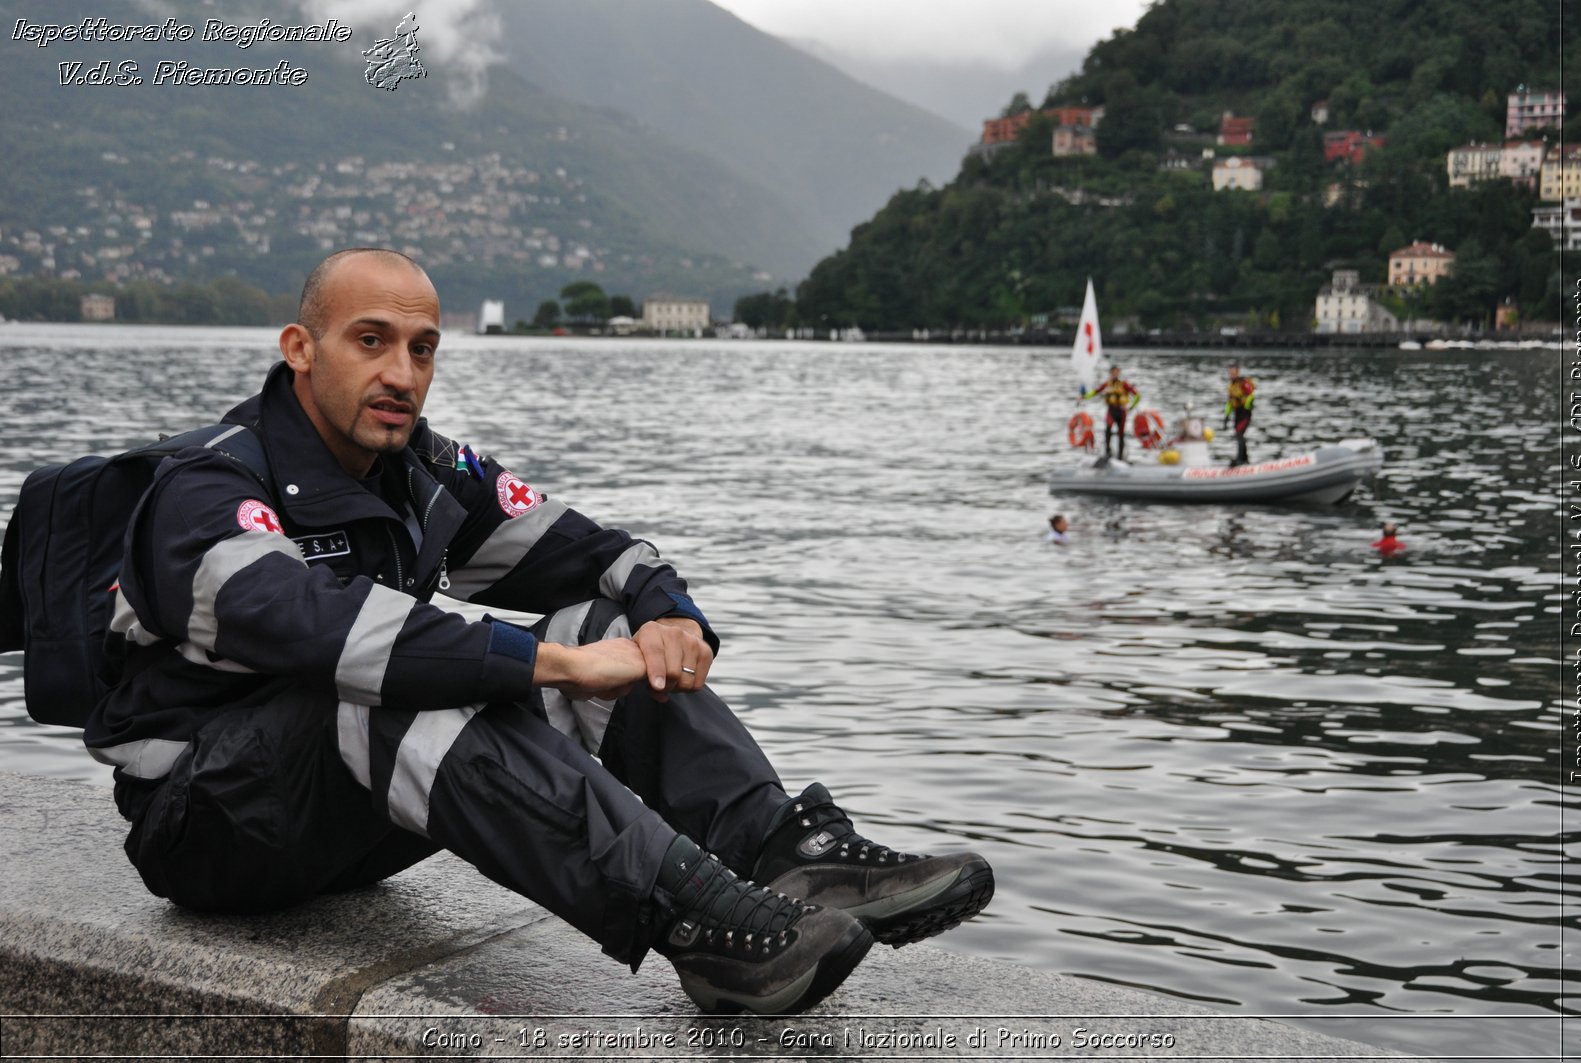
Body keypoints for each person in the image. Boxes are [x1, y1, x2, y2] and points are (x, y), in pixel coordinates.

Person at [81, 248, 993, 1016]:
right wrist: (545, 662)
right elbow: (313, 628)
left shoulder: (420, 468)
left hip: (346, 825)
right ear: (301, 350)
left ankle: (789, 854)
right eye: (372, 341)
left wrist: (665, 610)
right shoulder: (206, 488)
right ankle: (704, 923)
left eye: (423, 348)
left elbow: (584, 550)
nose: (401, 373)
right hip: (208, 826)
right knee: (411, 678)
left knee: (603, 625)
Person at [1082, 365, 1140, 463]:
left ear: (1119, 373)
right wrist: (1084, 397)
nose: (1115, 374)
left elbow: (1137, 395)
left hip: (1122, 411)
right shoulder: (1107, 384)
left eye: (1117, 372)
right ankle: (1108, 452)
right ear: (1110, 373)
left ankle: (1120, 457)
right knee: (1108, 429)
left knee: (1121, 434)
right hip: (1111, 410)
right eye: (1113, 372)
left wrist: (1131, 407)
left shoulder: (1124, 384)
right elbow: (1095, 392)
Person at [1222, 364, 1255, 467]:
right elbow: (1230, 403)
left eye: (1233, 372)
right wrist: (1226, 417)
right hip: (1237, 413)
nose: (1231, 374)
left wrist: (1247, 406)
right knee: (1238, 435)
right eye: (1230, 372)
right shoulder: (1231, 386)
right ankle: (1245, 459)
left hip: (1245, 413)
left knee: (1239, 434)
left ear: (1237, 372)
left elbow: (1251, 395)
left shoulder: (1243, 382)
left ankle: (1240, 459)